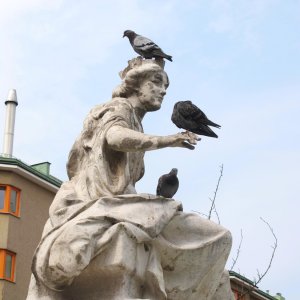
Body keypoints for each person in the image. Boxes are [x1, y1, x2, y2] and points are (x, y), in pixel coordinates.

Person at [27, 58, 234, 300]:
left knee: (218, 250)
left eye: (166, 85)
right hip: (99, 203)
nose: (163, 90)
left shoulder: (136, 122)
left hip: (123, 205)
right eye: (156, 82)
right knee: (217, 236)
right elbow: (114, 137)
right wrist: (169, 140)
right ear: (136, 85)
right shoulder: (118, 108)